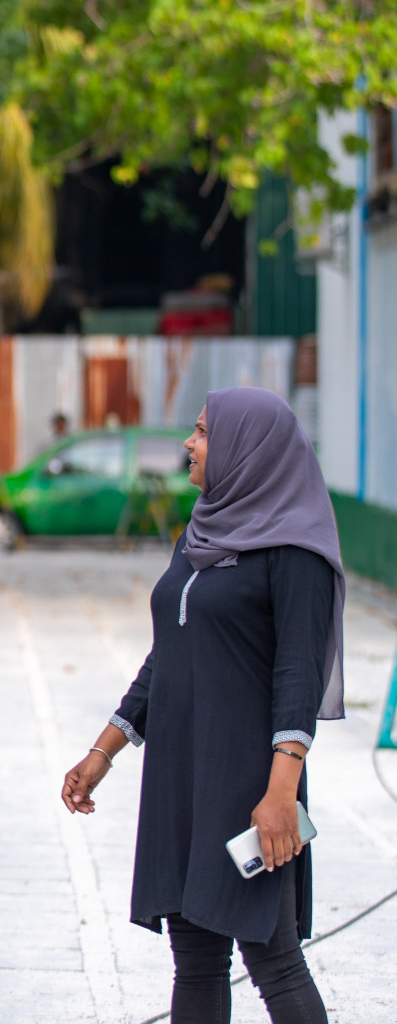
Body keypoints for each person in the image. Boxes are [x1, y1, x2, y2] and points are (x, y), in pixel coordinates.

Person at [61, 387, 345, 1024]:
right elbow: (168, 655)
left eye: (202, 432)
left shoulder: (295, 551)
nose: (189, 444)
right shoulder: (199, 533)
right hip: (181, 775)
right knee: (194, 956)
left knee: (271, 956)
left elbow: (299, 676)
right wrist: (103, 751)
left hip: (249, 780)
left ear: (249, 449)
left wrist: (282, 797)